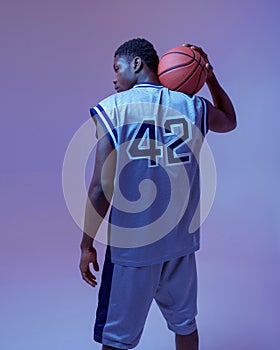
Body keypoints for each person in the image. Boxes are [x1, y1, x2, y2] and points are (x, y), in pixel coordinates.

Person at [79, 38, 236, 350]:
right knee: (186, 326)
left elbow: (101, 187)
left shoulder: (112, 109)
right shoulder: (193, 107)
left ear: (137, 64)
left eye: (116, 67)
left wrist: (86, 244)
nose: (113, 77)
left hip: (132, 250)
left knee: (116, 338)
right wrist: (210, 76)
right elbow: (229, 121)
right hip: (180, 244)